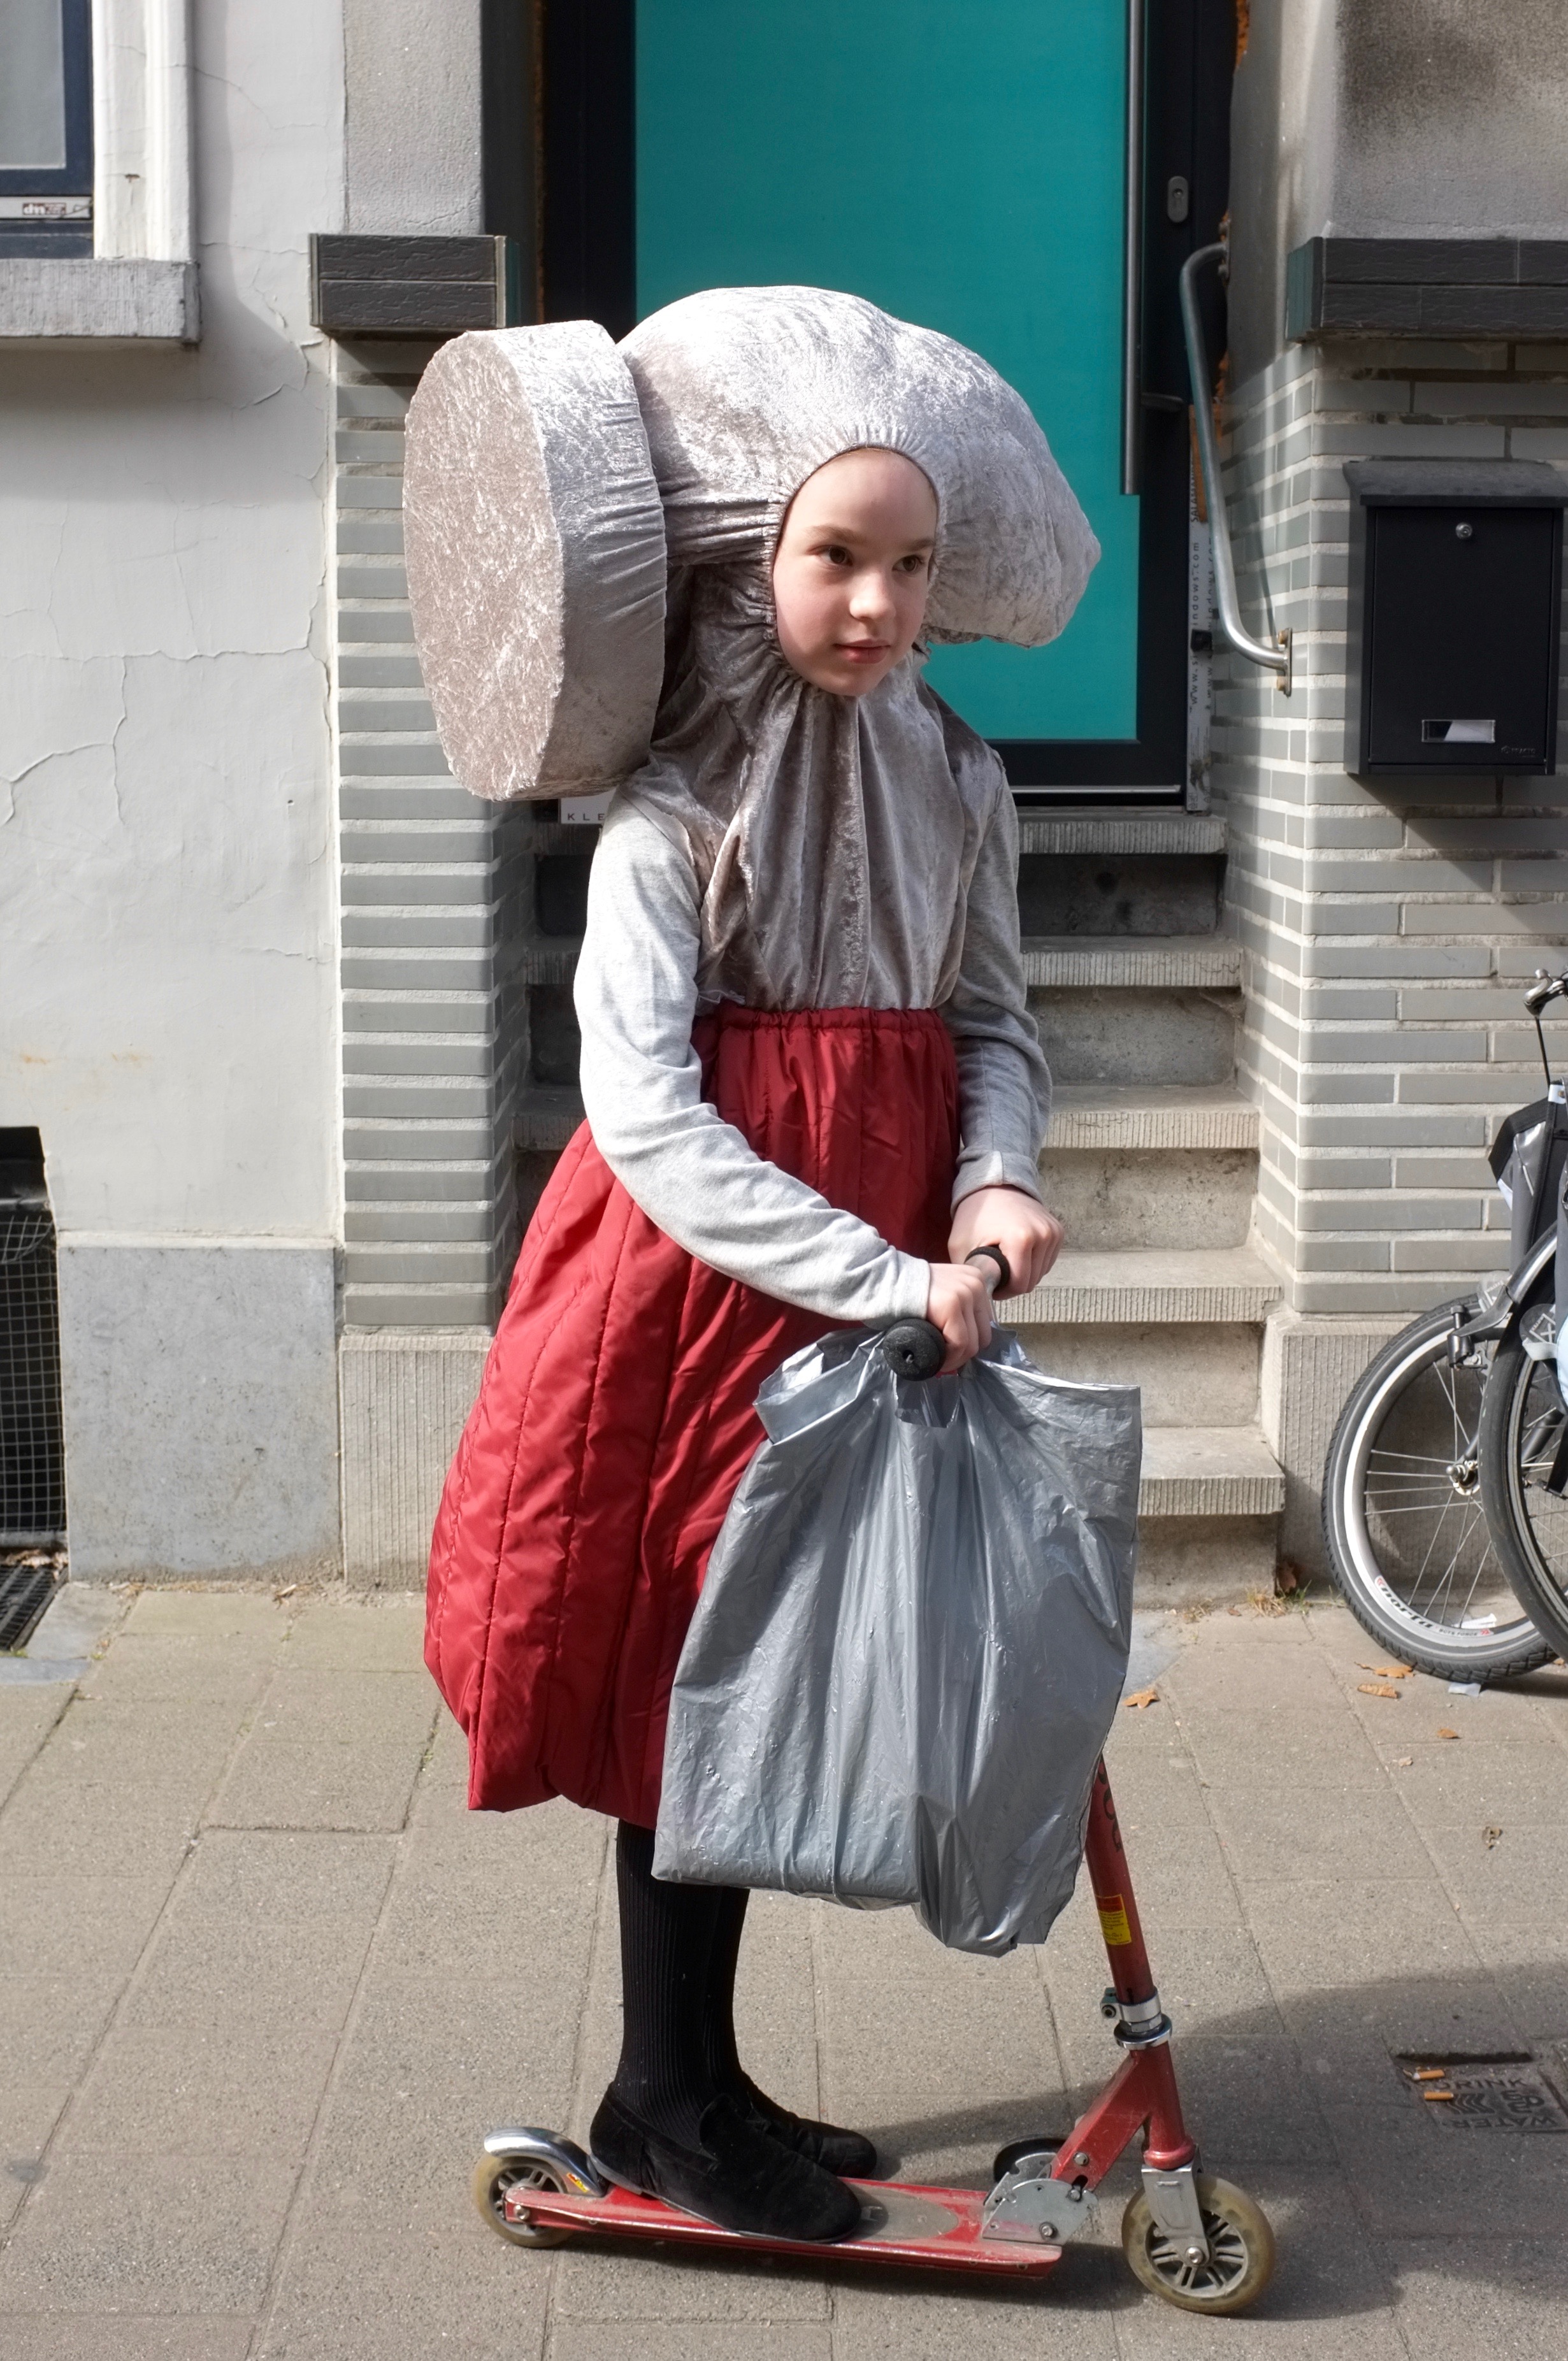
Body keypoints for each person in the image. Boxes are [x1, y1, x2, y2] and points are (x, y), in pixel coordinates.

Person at [420, 287, 1097, 2245]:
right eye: (834, 557)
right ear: (747, 555)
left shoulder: (959, 782)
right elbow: (644, 1114)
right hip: (697, 1289)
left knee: (778, 1665)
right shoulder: (673, 814)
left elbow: (992, 1020)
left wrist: (993, 1185)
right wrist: (881, 1270)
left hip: (888, 1280)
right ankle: (662, 2094)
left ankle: (698, 2075)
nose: (879, 601)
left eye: (912, 563)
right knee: (688, 1666)